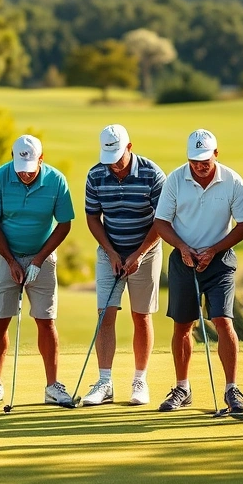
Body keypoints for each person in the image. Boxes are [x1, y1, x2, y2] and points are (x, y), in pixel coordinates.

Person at [153, 129, 243, 413]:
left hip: (219, 262)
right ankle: (182, 388)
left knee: (222, 320)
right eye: (194, 160)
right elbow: (161, 223)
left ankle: (232, 389)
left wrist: (214, 250)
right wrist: (183, 248)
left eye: (205, 160)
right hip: (183, 261)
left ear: (216, 155)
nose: (199, 165)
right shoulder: (175, 179)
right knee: (183, 325)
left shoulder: (232, 180)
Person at [0, 135, 76, 408]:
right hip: (4, 253)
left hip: (41, 256)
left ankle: (53, 387)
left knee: (46, 320)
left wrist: (38, 260)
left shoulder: (56, 181)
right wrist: (10, 261)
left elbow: (64, 224)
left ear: (41, 160)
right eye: (21, 167)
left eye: (31, 168)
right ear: (13, 157)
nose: (25, 173)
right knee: (0, 318)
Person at [81, 124, 167, 406]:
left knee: (141, 315)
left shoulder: (152, 174)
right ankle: (104, 383)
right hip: (110, 251)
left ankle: (139, 380)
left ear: (130, 147)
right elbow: (93, 217)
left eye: (118, 158)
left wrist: (139, 254)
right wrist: (110, 252)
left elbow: (162, 221)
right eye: (109, 159)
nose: (114, 166)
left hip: (148, 249)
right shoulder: (95, 175)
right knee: (105, 313)